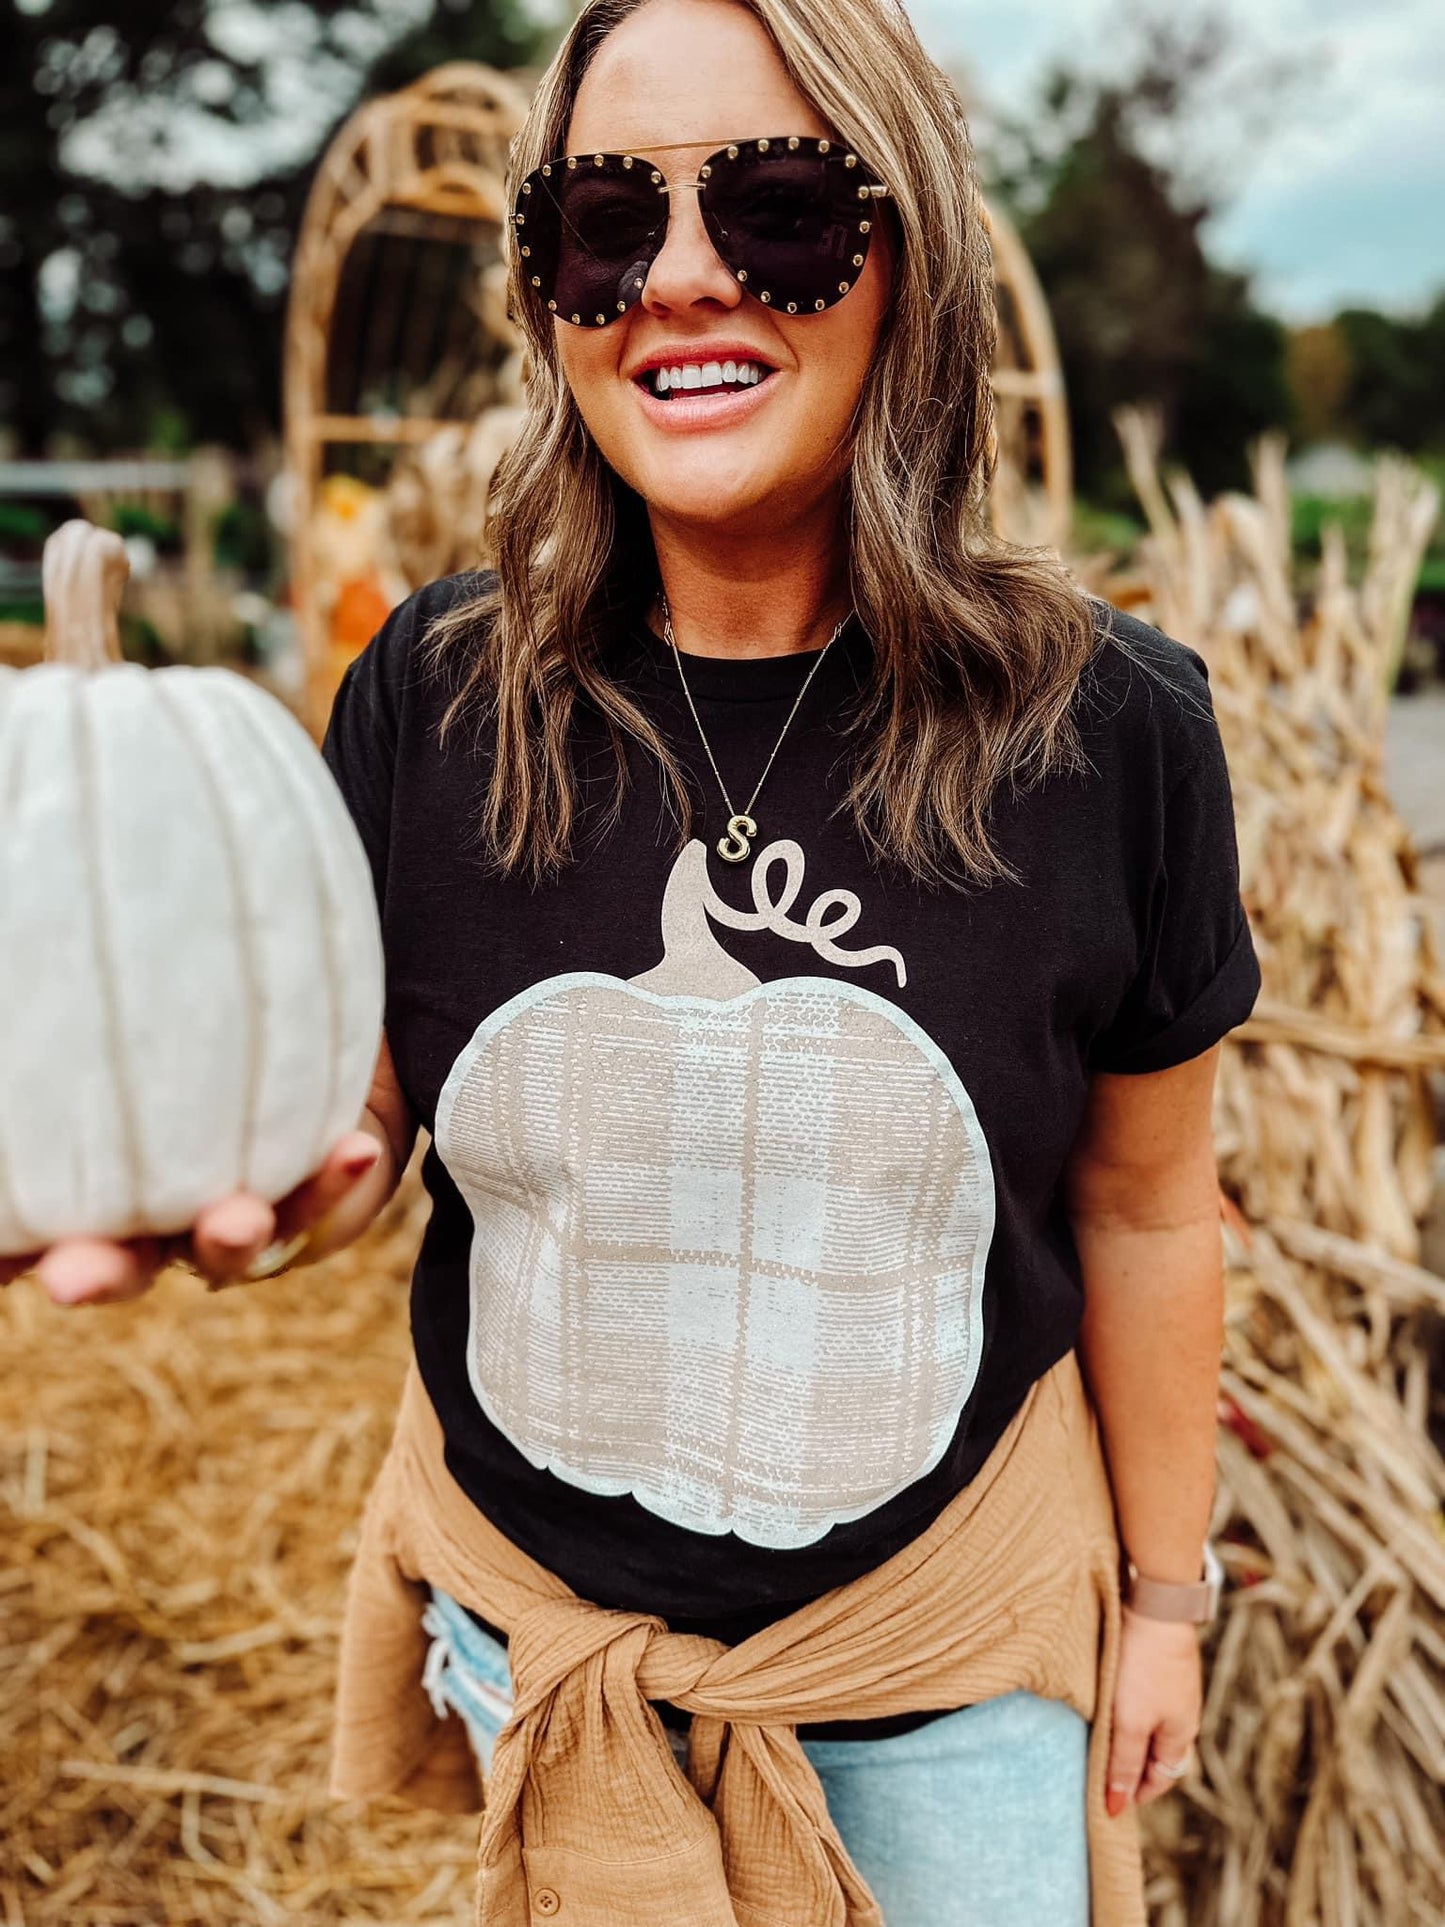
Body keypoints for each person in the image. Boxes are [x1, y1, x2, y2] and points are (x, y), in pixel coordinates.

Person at [12, 0, 1261, 1920]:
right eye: (604, 223)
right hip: (536, 1644)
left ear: (905, 255)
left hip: (940, 1676)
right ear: (546, 291)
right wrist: (219, 1185)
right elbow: (359, 1124)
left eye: (775, 208)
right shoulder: (431, 697)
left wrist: (1166, 1602)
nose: (679, 278)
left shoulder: (1105, 733)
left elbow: (1152, 1208)